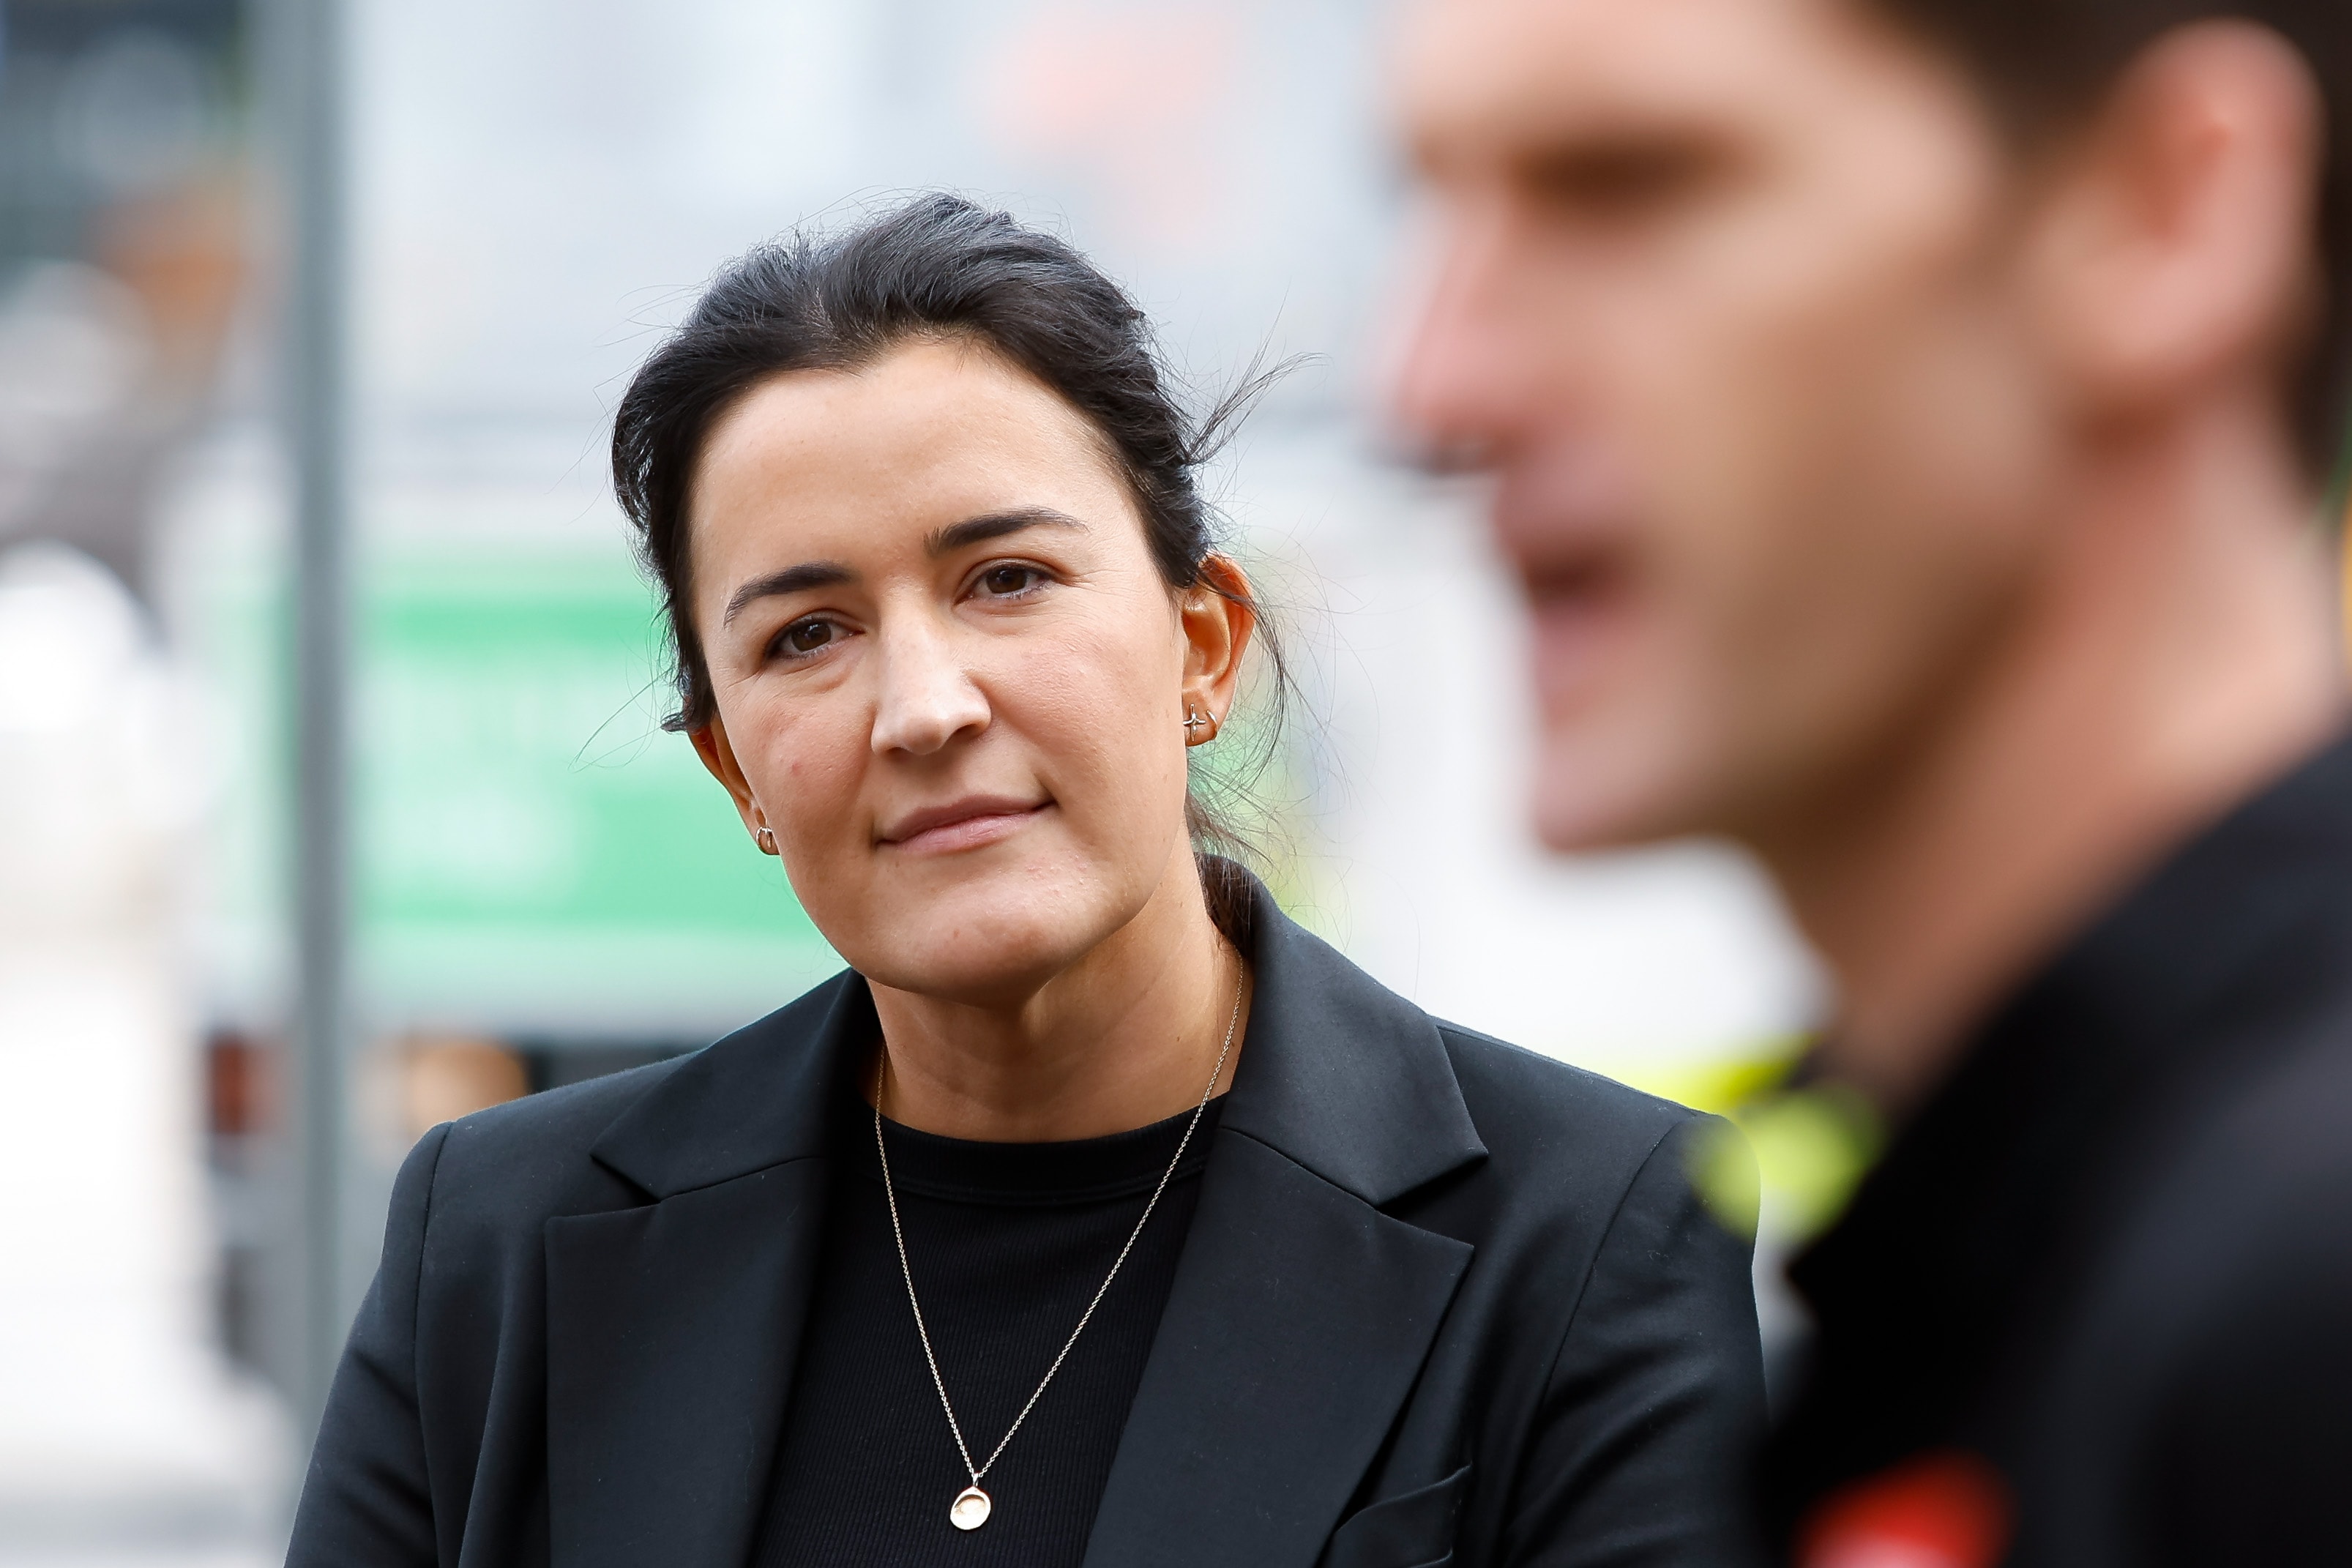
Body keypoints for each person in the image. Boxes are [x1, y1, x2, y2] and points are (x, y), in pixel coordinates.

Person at [284, 194, 1763, 1568]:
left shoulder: (1585, 1236)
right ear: (735, 771)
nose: (923, 706)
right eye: (807, 634)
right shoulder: (497, 1251)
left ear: (1202, 650)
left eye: (1006, 580)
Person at [1394, 1, 2352, 1564]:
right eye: (1429, 201)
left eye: (1627, 183)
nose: (1433, 384)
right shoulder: (2052, 1261)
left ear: (2166, 209)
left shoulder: (2292, 1305)